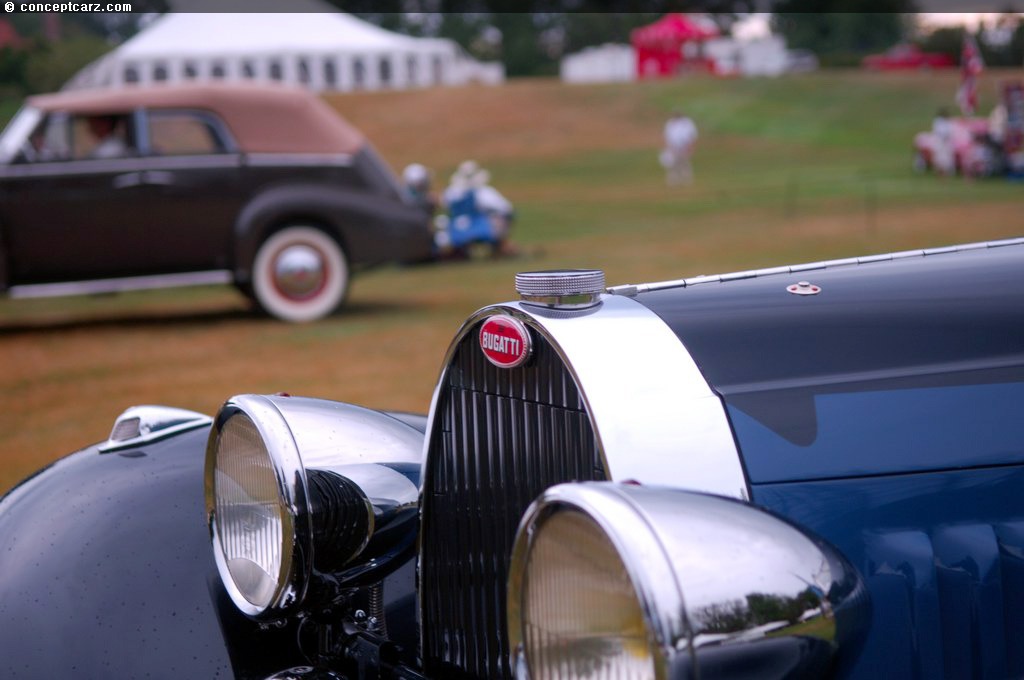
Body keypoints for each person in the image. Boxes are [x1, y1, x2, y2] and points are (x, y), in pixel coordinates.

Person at [662, 109, 698, 185]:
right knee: (673, 164)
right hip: (674, 146)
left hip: (685, 145)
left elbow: (692, 134)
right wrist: (670, 147)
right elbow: (667, 135)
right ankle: (673, 180)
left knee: (684, 162)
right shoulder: (670, 123)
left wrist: (690, 146)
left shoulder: (687, 123)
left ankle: (687, 179)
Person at [931, 107, 956, 177]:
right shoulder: (938, 122)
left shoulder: (948, 123)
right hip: (940, 143)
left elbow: (949, 132)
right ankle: (940, 173)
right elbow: (939, 132)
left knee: (946, 159)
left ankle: (946, 173)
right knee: (940, 158)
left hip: (946, 143)